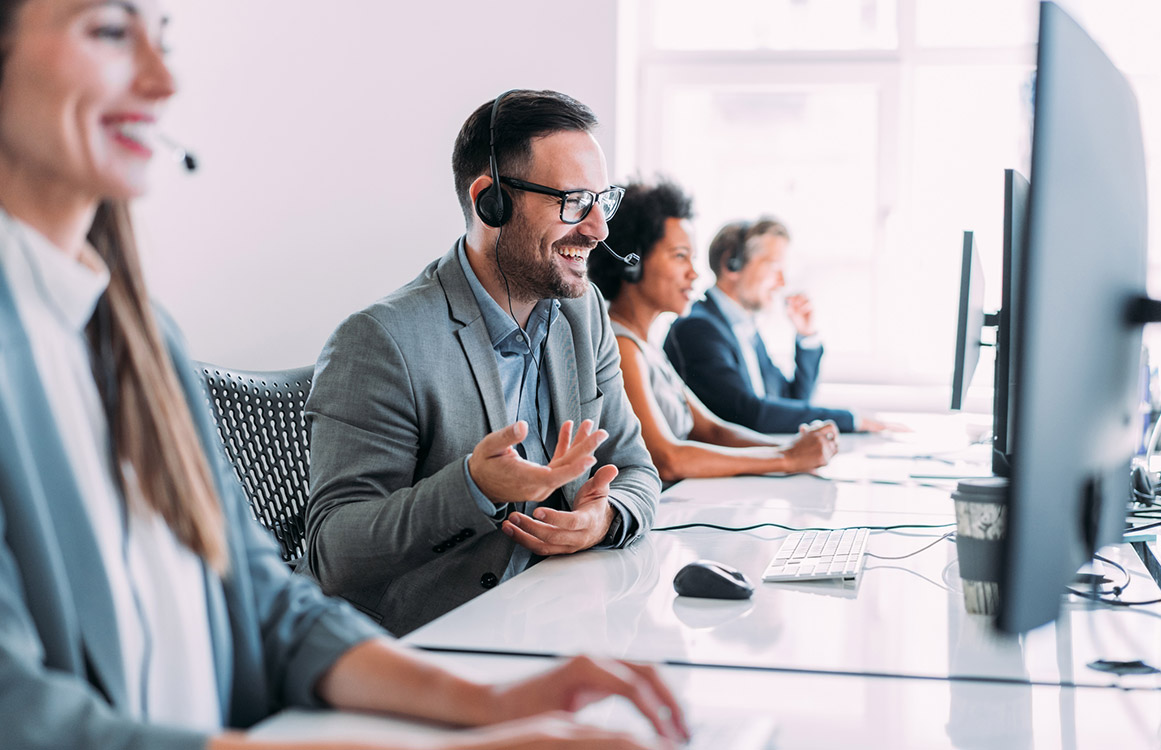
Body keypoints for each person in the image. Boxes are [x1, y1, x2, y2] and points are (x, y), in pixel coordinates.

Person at [0, 3, 687, 748]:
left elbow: (272, 605)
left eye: (163, 39)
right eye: (107, 31)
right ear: (490, 200)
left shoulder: (137, 337)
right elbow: (26, 714)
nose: (165, 81)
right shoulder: (383, 340)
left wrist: (492, 705)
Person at [296, 90, 659, 637]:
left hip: (559, 623)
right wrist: (473, 487)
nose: (598, 229)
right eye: (573, 202)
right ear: (491, 201)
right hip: (430, 645)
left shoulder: (582, 315)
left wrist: (599, 519)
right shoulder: (379, 340)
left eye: (601, 201)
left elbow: (636, 469)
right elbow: (334, 552)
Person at [586, 179, 839, 482]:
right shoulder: (622, 346)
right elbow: (667, 458)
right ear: (632, 262)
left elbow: (712, 429)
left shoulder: (645, 345)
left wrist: (793, 448)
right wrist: (786, 458)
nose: (694, 274)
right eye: (680, 256)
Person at [664, 217, 890, 435]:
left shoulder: (743, 328)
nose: (782, 282)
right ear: (731, 264)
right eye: (774, 267)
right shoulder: (697, 328)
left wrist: (806, 336)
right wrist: (850, 420)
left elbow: (792, 402)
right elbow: (750, 415)